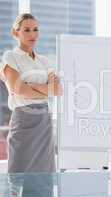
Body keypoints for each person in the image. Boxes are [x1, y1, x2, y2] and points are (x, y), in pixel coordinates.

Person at [0, 13, 62, 173]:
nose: (32, 34)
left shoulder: (45, 61)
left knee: (44, 177)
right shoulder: (10, 57)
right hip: (23, 120)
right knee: (18, 176)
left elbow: (58, 90)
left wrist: (30, 85)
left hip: (44, 122)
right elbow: (18, 89)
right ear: (16, 33)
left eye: (35, 29)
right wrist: (45, 90)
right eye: (27, 30)